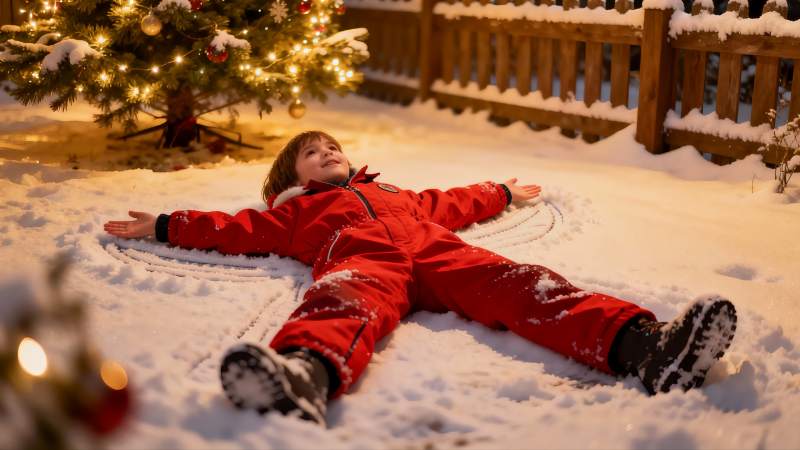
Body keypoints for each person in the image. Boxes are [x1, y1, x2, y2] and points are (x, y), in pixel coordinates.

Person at [104, 130, 737, 426]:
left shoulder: (397, 194)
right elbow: (232, 226)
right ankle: (303, 375)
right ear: (291, 178)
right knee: (339, 300)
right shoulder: (295, 212)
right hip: (363, 262)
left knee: (526, 285)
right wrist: (166, 222)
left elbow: (452, 202)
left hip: (437, 253)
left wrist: (501, 190)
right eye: (311, 152)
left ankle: (647, 348)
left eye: (333, 148)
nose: (328, 154)